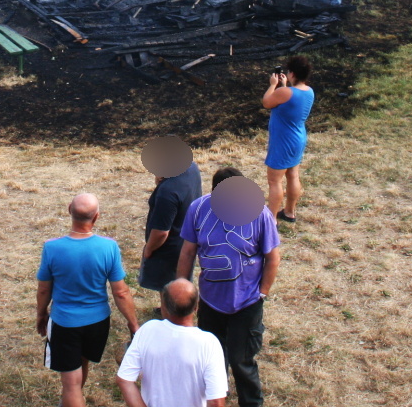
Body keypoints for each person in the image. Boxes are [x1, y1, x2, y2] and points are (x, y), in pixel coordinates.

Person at [177, 167, 280, 407]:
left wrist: (262, 292)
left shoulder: (260, 214)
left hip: (247, 302)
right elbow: (187, 252)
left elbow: (273, 257)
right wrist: (183, 293)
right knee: (211, 361)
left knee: (241, 360)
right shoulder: (198, 210)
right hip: (211, 301)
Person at [37, 193, 139, 407]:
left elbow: (44, 289)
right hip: (98, 323)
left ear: (69, 210)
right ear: (96, 217)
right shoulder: (109, 247)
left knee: (71, 385)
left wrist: (41, 314)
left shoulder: (52, 248)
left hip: (65, 323)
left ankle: (72, 398)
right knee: (81, 363)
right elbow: (121, 292)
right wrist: (133, 324)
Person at [116, 279, 227, 407]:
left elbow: (124, 380)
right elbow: (216, 402)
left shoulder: (148, 330)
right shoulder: (209, 343)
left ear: (164, 306)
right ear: (196, 307)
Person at [262, 55, 315, 222]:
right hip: (298, 138)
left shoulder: (284, 92)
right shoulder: (309, 91)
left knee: (274, 181)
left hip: (283, 141)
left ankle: (271, 220)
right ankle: (289, 212)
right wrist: (283, 86)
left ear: (292, 73)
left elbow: (267, 102)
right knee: (293, 175)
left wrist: (273, 85)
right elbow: (290, 100)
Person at [139, 155, 202, 295]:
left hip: (168, 248)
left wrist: (148, 249)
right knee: (180, 283)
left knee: (169, 289)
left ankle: (169, 313)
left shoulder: (167, 192)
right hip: (186, 239)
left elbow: (161, 232)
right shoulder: (192, 167)